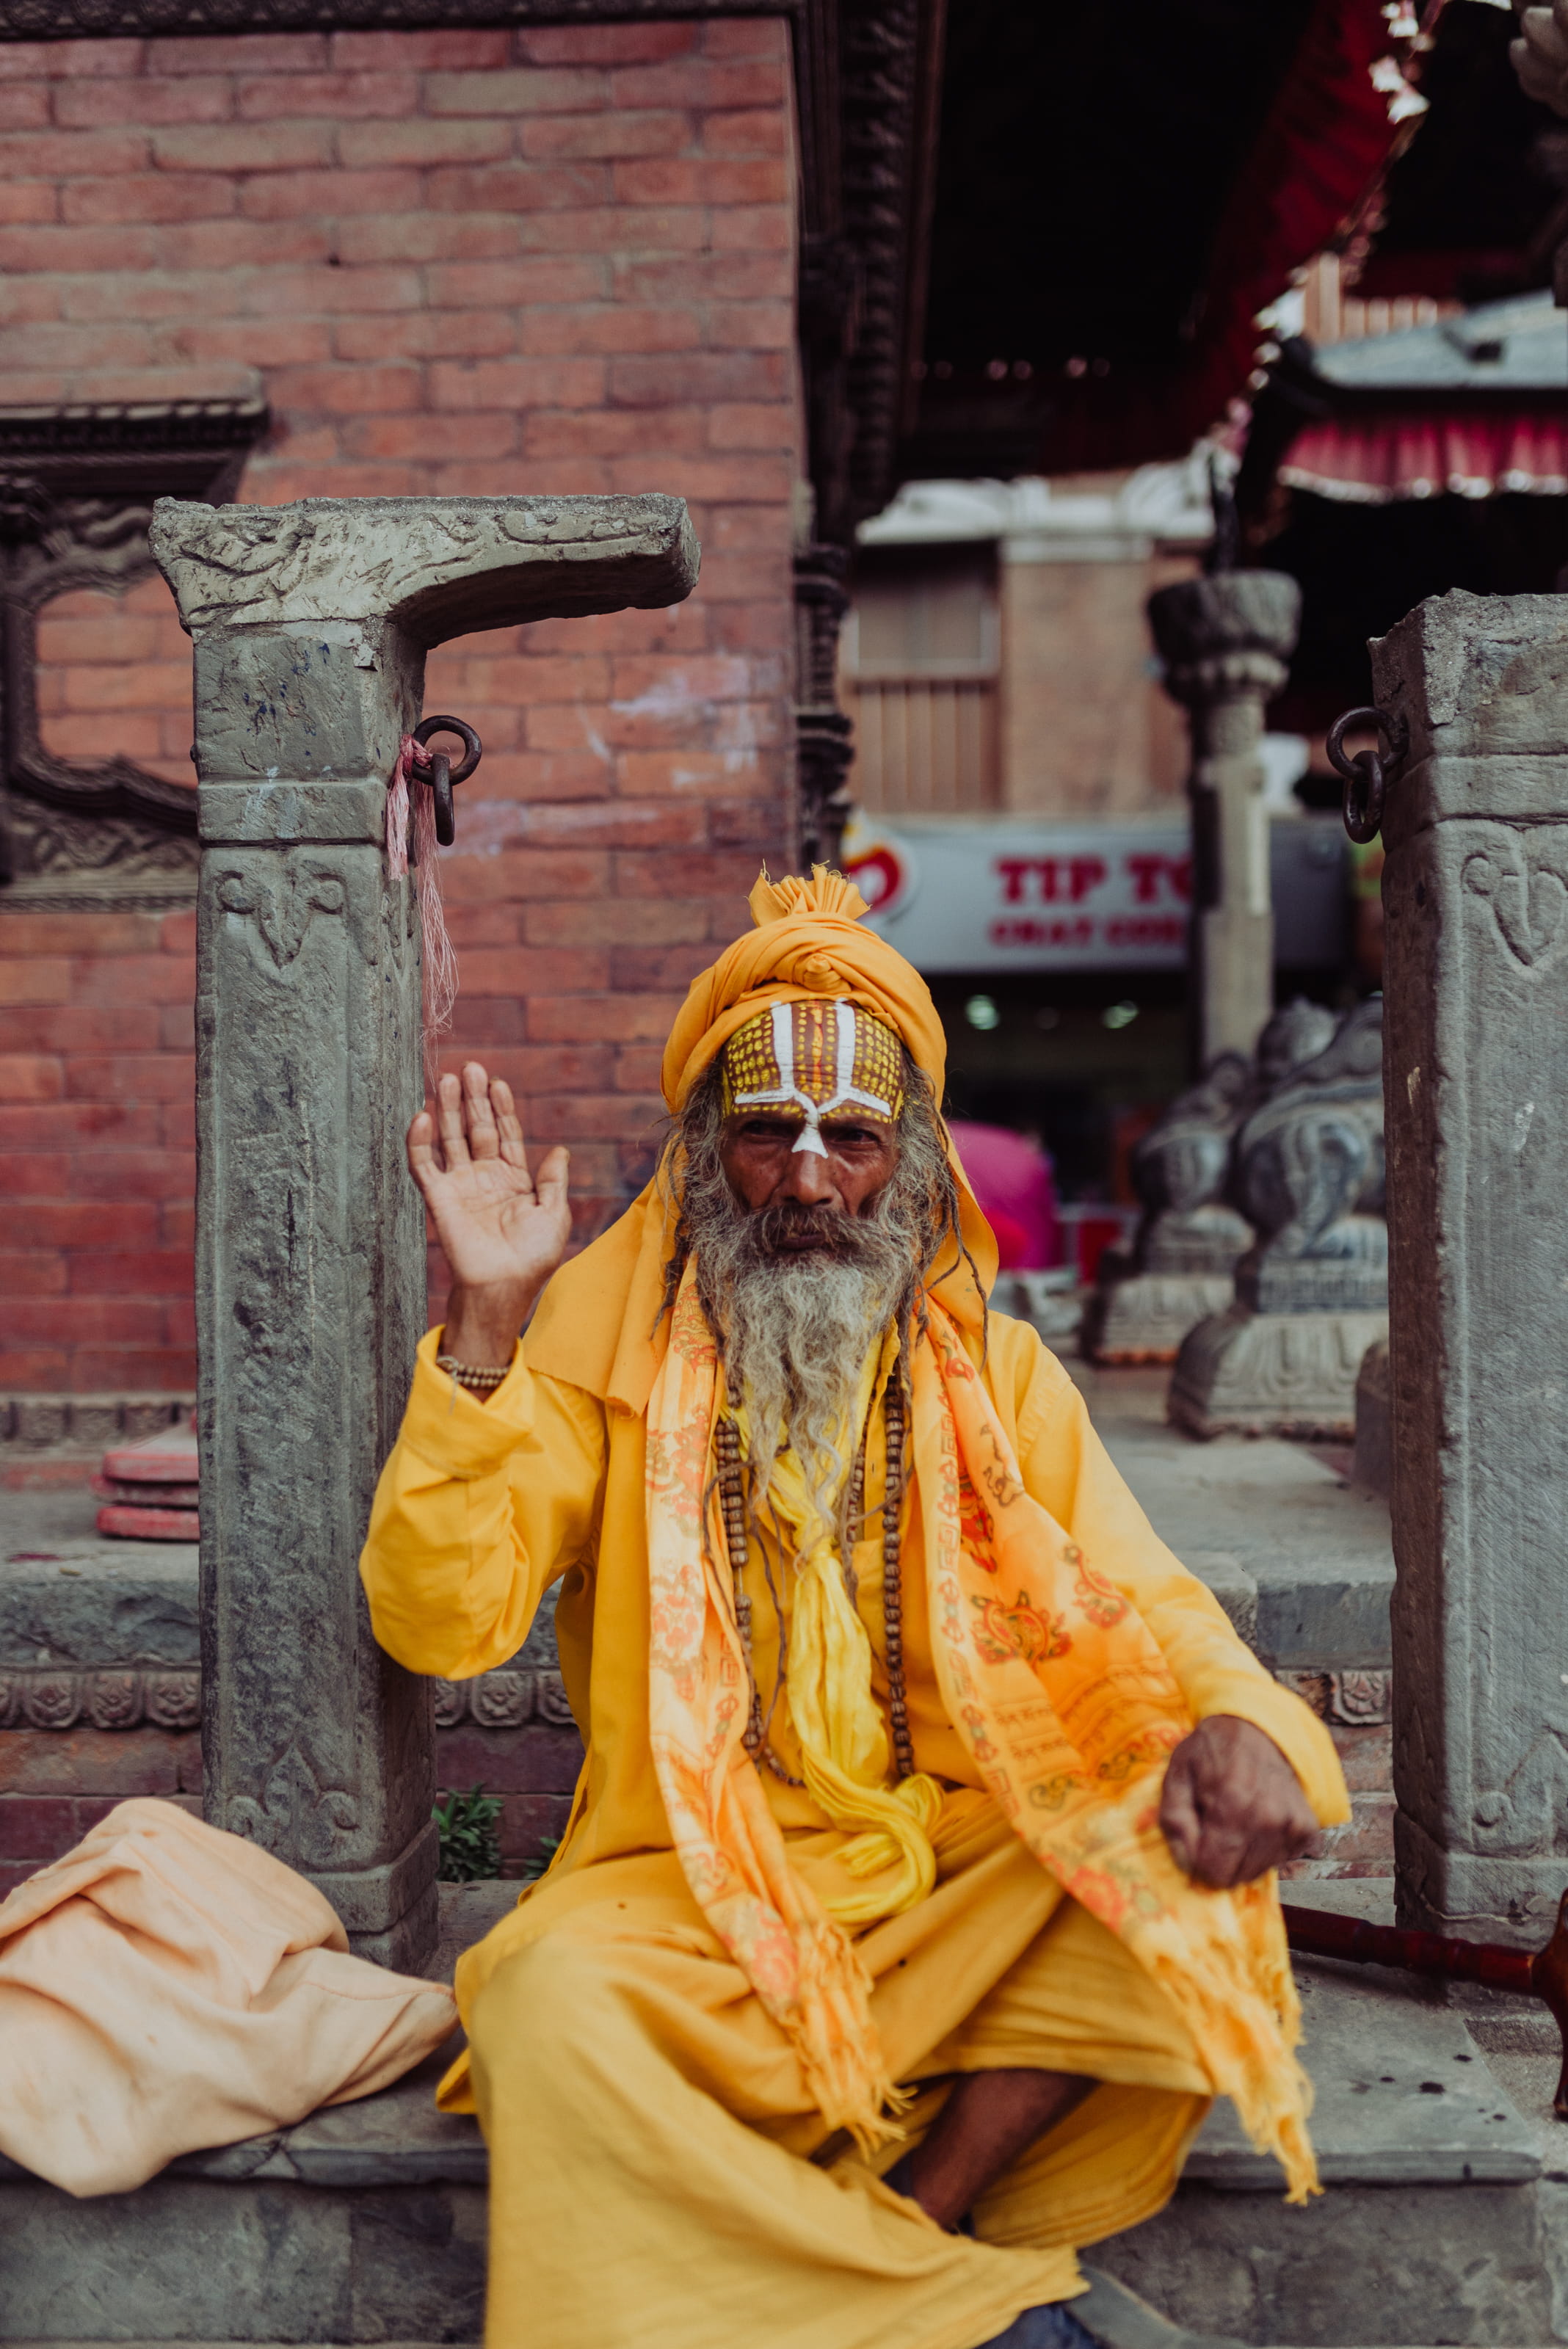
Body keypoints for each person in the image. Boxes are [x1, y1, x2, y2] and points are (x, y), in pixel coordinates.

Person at [360, 867, 1348, 2349]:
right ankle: (944, 2308)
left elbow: (1151, 1597)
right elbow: (440, 1622)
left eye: (853, 1139)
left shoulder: (999, 1380)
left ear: (913, 1166)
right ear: (707, 1152)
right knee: (550, 2004)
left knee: (1181, 1860)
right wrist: (490, 1319)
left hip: (950, 1869)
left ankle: (902, 2226)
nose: (810, 1183)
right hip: (688, 1891)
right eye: (768, 1134)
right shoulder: (590, 1341)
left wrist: (1257, 1725)